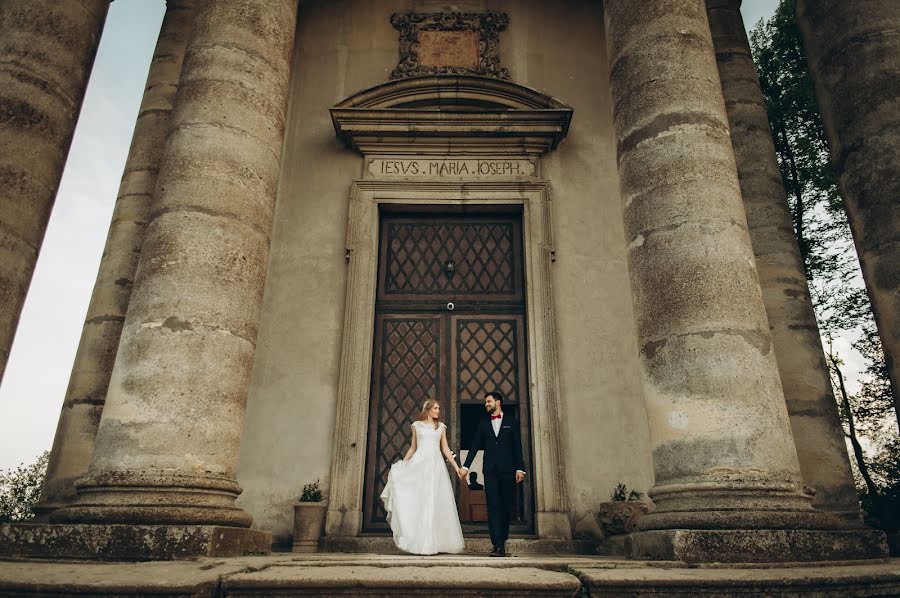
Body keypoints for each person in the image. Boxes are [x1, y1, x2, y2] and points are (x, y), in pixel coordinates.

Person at [380, 399, 465, 555]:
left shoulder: (440, 427)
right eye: (436, 408)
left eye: (439, 408)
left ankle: (434, 542)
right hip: (419, 464)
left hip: (435, 465)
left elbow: (445, 449)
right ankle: (422, 541)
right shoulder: (416, 426)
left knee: (434, 499)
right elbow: (413, 447)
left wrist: (457, 468)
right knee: (422, 500)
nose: (438, 411)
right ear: (428, 409)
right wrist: (403, 466)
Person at [458, 391, 525, 557]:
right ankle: (498, 545)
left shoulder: (511, 422)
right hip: (490, 472)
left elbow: (517, 446)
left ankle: (503, 540)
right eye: (485, 402)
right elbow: (474, 446)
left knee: (506, 507)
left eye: (488, 402)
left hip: (509, 471)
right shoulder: (483, 424)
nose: (486, 404)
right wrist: (466, 466)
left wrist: (520, 468)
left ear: (498, 402)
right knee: (493, 506)